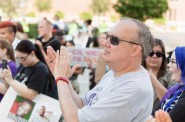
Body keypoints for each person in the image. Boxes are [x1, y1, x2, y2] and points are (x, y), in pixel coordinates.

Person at [46, 17, 155, 122]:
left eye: (114, 40)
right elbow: (82, 104)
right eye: (108, 36)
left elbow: (75, 119)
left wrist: (61, 79)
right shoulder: (114, 73)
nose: (105, 43)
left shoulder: (134, 88)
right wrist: (63, 78)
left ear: (135, 50)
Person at [150, 46, 185, 122]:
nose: (168, 65)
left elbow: (169, 118)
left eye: (173, 61)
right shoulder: (176, 88)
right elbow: (153, 114)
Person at [142, 38, 174, 110]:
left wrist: (154, 81)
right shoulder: (136, 72)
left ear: (163, 57)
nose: (154, 56)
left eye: (158, 54)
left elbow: (172, 101)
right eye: (151, 53)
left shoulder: (171, 75)